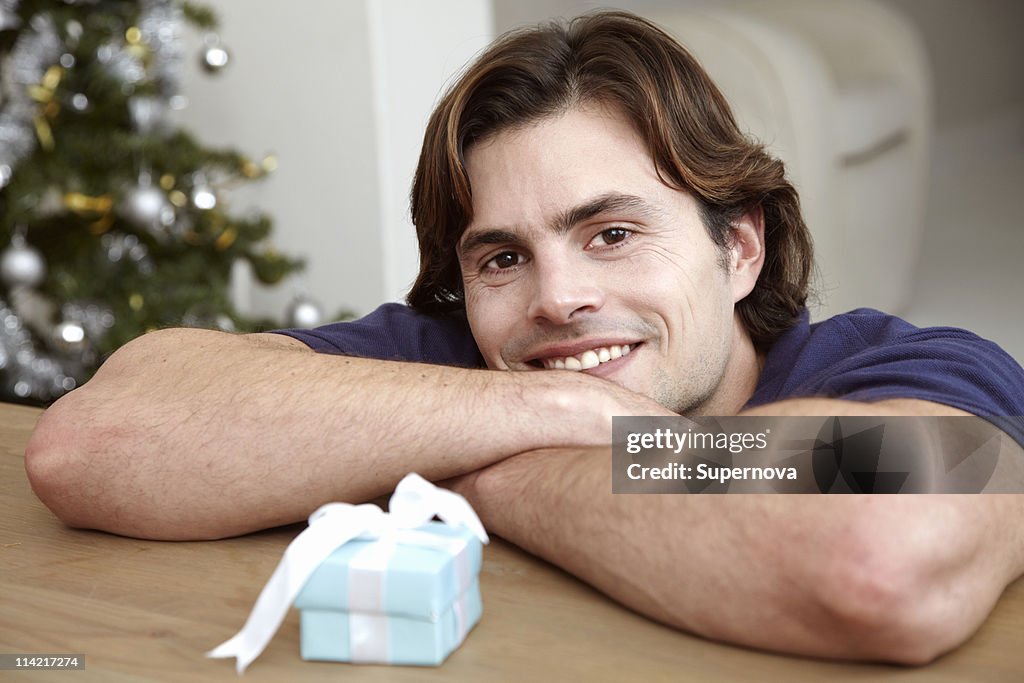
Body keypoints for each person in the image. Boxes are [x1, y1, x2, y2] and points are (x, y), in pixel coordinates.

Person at [24, 10, 1024, 665]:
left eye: (613, 232)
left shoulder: (913, 367)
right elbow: (92, 441)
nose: (558, 298)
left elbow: (879, 554)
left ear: (740, 252)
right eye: (501, 256)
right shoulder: (472, 362)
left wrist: (493, 470)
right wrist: (549, 404)